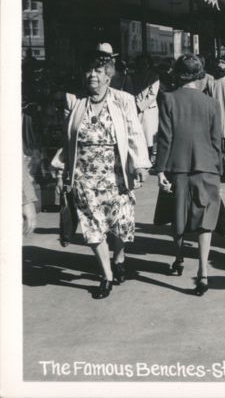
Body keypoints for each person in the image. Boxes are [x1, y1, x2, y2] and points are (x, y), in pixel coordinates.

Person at [55, 45, 150, 299]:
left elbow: (134, 133)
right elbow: (67, 140)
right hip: (84, 176)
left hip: (115, 174)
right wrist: (62, 171)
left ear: (109, 74)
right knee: (92, 226)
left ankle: (119, 257)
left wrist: (140, 163)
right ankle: (106, 275)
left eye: (98, 70)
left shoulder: (123, 100)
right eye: (88, 70)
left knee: (119, 224)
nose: (92, 75)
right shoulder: (75, 102)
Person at [152, 54, 223, 296]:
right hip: (207, 167)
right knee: (205, 220)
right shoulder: (212, 104)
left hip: (177, 166)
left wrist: (160, 169)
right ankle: (203, 272)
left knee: (178, 214)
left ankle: (179, 259)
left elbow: (165, 137)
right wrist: (219, 170)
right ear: (200, 76)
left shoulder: (168, 99)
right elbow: (217, 141)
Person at [127, 55, 160, 163]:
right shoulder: (133, 76)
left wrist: (140, 106)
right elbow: (130, 91)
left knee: (149, 136)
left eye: (145, 63)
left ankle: (150, 158)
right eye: (141, 64)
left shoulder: (154, 76)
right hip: (136, 108)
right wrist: (135, 104)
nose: (143, 66)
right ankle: (140, 158)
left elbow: (152, 95)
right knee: (138, 135)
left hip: (149, 110)